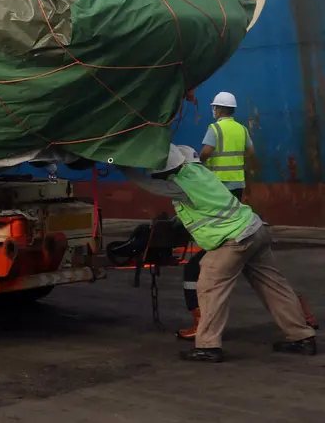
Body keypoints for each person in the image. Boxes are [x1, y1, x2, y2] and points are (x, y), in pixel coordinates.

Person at [132, 145, 315, 362]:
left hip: (235, 239)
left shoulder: (181, 184)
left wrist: (118, 163)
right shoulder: (197, 171)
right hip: (256, 229)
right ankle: (302, 337)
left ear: (164, 171)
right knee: (274, 286)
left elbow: (148, 185)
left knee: (210, 286)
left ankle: (208, 346)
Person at [175, 91, 317, 339]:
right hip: (237, 186)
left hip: (216, 187)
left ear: (217, 109)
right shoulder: (241, 129)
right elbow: (250, 154)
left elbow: (205, 153)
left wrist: (199, 167)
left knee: (212, 265)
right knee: (241, 230)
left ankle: (206, 338)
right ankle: (299, 330)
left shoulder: (214, 129)